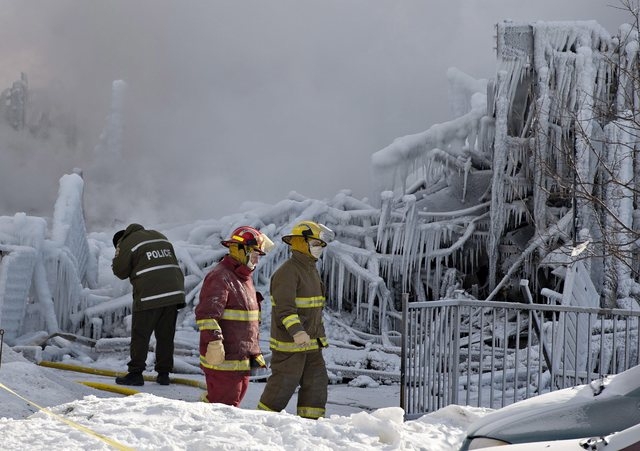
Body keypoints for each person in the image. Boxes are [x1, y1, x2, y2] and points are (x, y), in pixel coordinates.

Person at [257, 220, 334, 419]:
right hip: (291, 344)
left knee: (316, 384)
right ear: (301, 242)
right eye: (315, 244)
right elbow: (285, 308)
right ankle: (262, 421)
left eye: (320, 245)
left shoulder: (310, 269)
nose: (318, 248)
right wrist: (297, 331)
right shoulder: (288, 272)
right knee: (283, 384)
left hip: (312, 343)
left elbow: (314, 308)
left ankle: (311, 423)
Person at [195, 226, 274, 406]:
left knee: (229, 405)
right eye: (254, 253)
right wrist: (214, 342)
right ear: (239, 249)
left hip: (240, 360)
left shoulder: (243, 278)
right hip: (224, 361)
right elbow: (207, 314)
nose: (257, 259)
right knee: (224, 408)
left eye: (259, 255)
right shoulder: (220, 277)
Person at [111, 223, 186, 386]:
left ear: (119, 242)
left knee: (141, 334)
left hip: (150, 295)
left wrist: (118, 253)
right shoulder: (159, 235)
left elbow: (120, 271)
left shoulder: (126, 242)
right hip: (174, 292)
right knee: (165, 335)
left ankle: (135, 373)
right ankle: (164, 374)